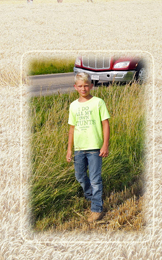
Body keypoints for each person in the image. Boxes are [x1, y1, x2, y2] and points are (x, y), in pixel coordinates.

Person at [66, 72, 110, 222]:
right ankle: (91, 197)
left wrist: (105, 144)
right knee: (79, 176)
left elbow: (105, 123)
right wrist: (69, 149)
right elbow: (71, 128)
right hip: (79, 147)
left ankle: (96, 209)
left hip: (94, 147)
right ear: (75, 87)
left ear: (91, 86)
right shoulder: (73, 105)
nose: (83, 88)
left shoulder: (98, 102)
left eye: (86, 85)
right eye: (80, 86)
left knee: (95, 179)